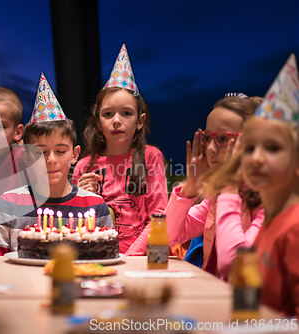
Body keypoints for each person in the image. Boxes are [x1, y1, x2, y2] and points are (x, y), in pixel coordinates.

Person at [206, 55, 299, 315]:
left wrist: (227, 188)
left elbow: (232, 265)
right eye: (249, 148)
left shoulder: (294, 228)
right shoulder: (274, 221)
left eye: (272, 148)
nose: (256, 158)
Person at [0, 75, 112, 255]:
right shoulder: (7, 205)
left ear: (75, 155)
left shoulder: (95, 206)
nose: (51, 159)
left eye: (60, 151)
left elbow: (104, 261)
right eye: (40, 152)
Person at [72, 45, 167, 256]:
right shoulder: (83, 166)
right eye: (108, 114)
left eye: (126, 113)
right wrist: (78, 196)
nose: (116, 121)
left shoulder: (151, 157)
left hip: (139, 258)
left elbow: (159, 217)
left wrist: (133, 255)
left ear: (140, 121)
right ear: (98, 122)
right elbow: (72, 223)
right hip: (93, 256)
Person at [165, 94, 264, 279]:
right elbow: (168, 235)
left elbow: (234, 265)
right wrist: (190, 189)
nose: (210, 148)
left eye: (222, 138)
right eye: (207, 137)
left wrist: (228, 185)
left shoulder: (269, 201)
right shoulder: (215, 199)